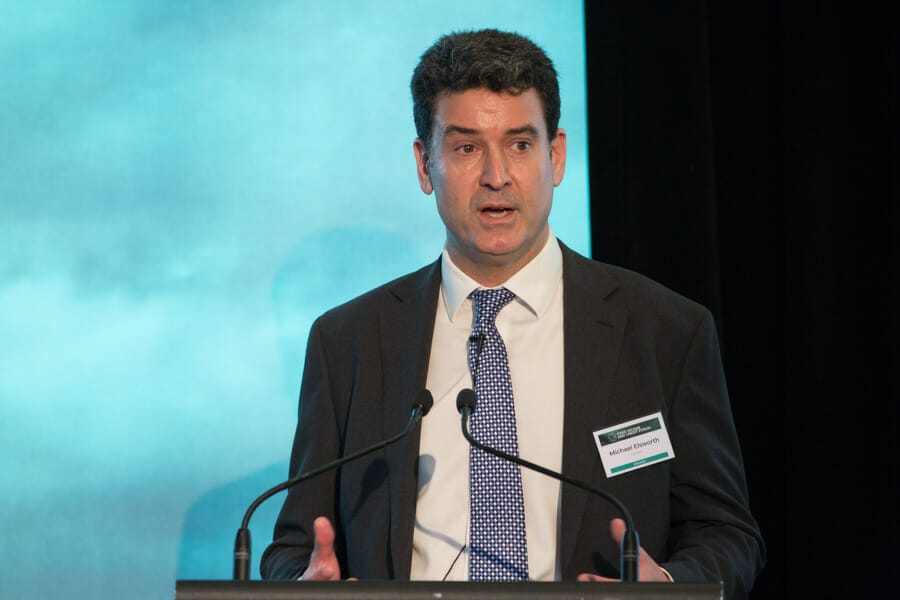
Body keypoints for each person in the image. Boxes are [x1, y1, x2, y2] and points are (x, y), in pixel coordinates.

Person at [261, 29, 765, 599]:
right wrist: (305, 586)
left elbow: (726, 533)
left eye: (520, 144)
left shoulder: (665, 331)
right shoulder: (348, 342)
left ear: (556, 155)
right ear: (425, 165)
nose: (497, 176)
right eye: (466, 148)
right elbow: (293, 546)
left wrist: (669, 586)